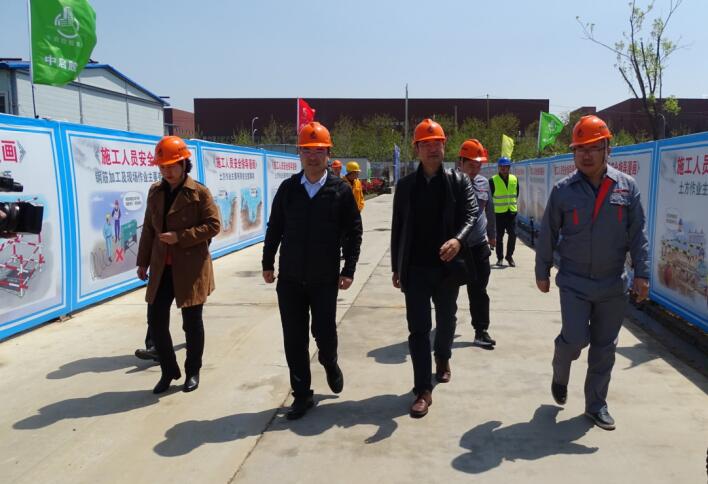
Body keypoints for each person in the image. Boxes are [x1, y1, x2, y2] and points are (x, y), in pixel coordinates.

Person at [535, 115, 650, 431]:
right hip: (574, 281)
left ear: (607, 148)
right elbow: (548, 233)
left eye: (593, 148)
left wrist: (642, 274)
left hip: (613, 283)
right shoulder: (563, 191)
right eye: (580, 149)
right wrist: (542, 270)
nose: (586, 155)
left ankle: (596, 405)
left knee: (604, 347)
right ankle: (561, 368)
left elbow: (638, 234)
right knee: (574, 339)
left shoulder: (626, 187)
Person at [262, 121, 362, 420]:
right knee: (294, 339)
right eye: (307, 150)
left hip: (324, 278)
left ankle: (329, 361)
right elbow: (275, 227)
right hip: (290, 278)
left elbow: (354, 232)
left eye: (319, 150)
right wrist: (267, 262)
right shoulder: (288, 189)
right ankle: (302, 394)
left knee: (324, 332)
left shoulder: (340, 190)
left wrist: (349, 268)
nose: (313, 156)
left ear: (328, 153)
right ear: (300, 153)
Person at [391, 118, 478, 418]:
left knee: (446, 319)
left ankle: (442, 357)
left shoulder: (458, 181)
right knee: (418, 329)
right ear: (416, 149)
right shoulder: (405, 186)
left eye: (437, 143)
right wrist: (396, 266)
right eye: (425, 144)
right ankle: (422, 390)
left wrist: (458, 239)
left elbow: (471, 213)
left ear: (444, 146)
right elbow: (398, 227)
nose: (432, 149)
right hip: (415, 269)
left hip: (447, 268)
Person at [136, 135, 221, 394]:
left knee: (191, 323)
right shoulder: (155, 192)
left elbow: (213, 225)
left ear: (184, 163)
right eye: (162, 166)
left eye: (172, 165)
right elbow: (148, 229)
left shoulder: (199, 193)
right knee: (156, 320)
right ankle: (169, 369)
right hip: (162, 266)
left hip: (191, 267)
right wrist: (143, 262)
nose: (167, 171)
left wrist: (180, 237)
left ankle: (193, 371)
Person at [457, 139, 497, 348]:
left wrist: (492, 235)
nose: (475, 169)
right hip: (457, 247)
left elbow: (490, 210)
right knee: (449, 291)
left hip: (479, 245)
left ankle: (481, 330)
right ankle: (446, 324)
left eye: (478, 165)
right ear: (461, 162)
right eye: (471, 164)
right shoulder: (451, 183)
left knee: (479, 290)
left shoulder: (483, 183)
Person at [489, 157, 518, 267]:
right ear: (498, 167)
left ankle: (509, 256)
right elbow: (490, 197)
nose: (503, 168)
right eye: (501, 166)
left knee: (513, 235)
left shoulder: (514, 179)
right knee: (499, 236)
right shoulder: (493, 180)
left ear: (509, 167)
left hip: (511, 212)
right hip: (499, 213)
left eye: (505, 166)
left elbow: (516, 193)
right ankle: (500, 258)